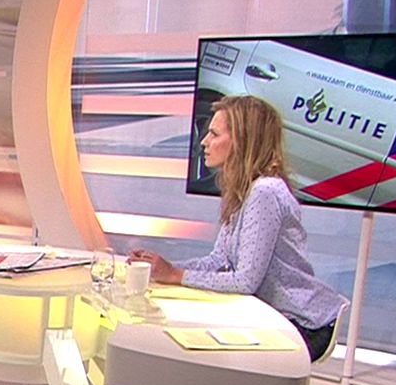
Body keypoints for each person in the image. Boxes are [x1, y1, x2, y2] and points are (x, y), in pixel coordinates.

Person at [130, 94, 347, 362]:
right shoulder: (244, 191)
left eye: (214, 134)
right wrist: (164, 269)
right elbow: (219, 261)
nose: (204, 142)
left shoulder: (265, 192)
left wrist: (176, 274)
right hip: (268, 314)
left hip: (302, 323)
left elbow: (244, 281)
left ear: (242, 141)